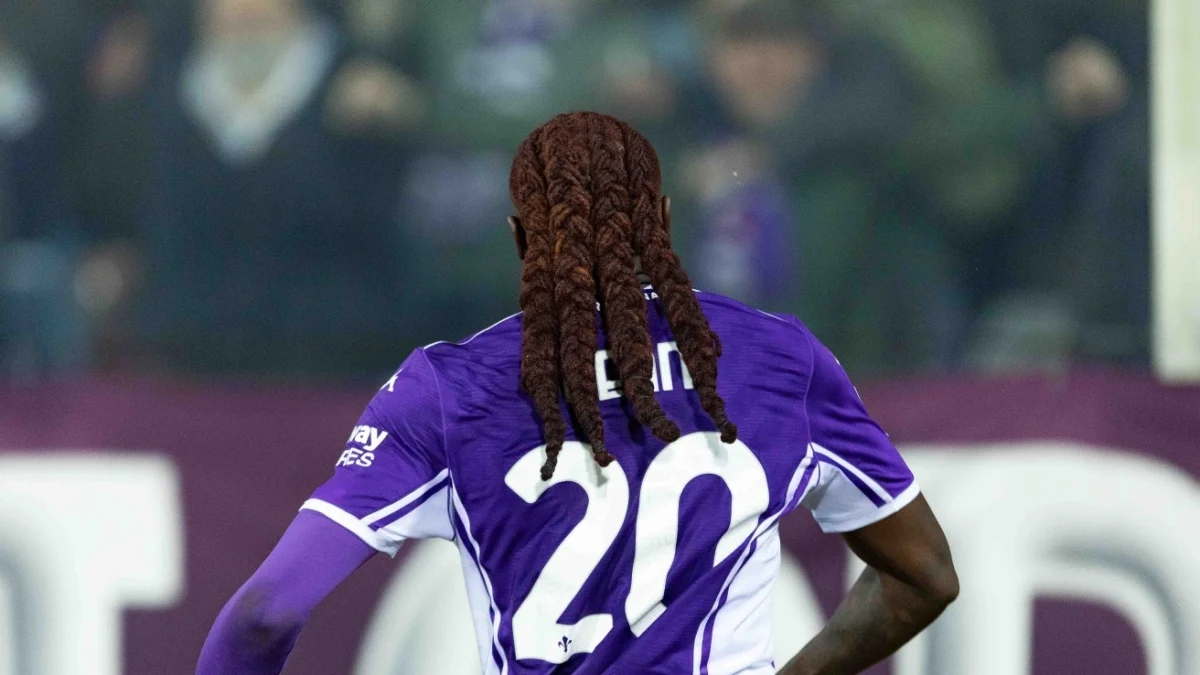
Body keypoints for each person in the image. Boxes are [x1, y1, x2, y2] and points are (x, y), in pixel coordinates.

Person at [196, 112, 958, 675]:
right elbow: (922, 575)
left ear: (520, 238)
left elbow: (266, 613)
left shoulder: (448, 388)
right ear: (663, 221)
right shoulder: (778, 358)